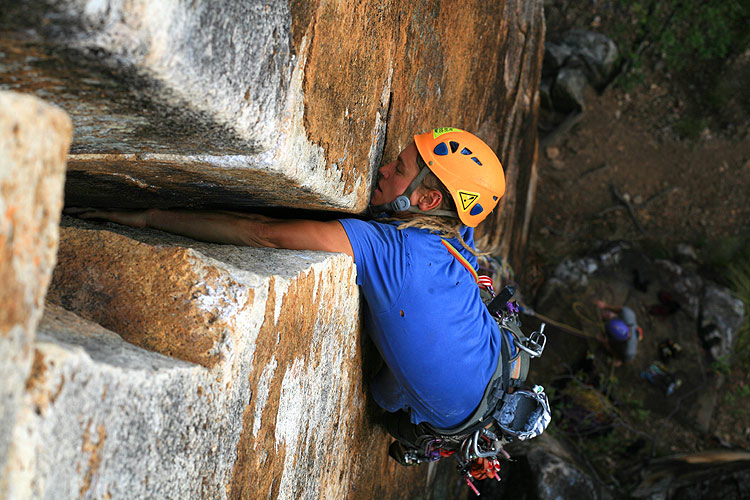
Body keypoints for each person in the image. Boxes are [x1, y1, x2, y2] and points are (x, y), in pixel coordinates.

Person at [73, 127, 510, 479]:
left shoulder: (387, 250)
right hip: (488, 373)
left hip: (462, 405)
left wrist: (149, 218)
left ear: (428, 200)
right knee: (387, 390)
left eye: (399, 168)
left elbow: (262, 232)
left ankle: (427, 427)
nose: (383, 168)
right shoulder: (456, 235)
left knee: (384, 397)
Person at [594, 300, 642, 365]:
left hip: (626, 352)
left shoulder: (629, 351)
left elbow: (628, 360)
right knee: (609, 314)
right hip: (629, 326)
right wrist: (605, 306)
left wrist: (606, 344)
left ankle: (619, 362)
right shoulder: (628, 315)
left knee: (619, 361)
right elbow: (620, 309)